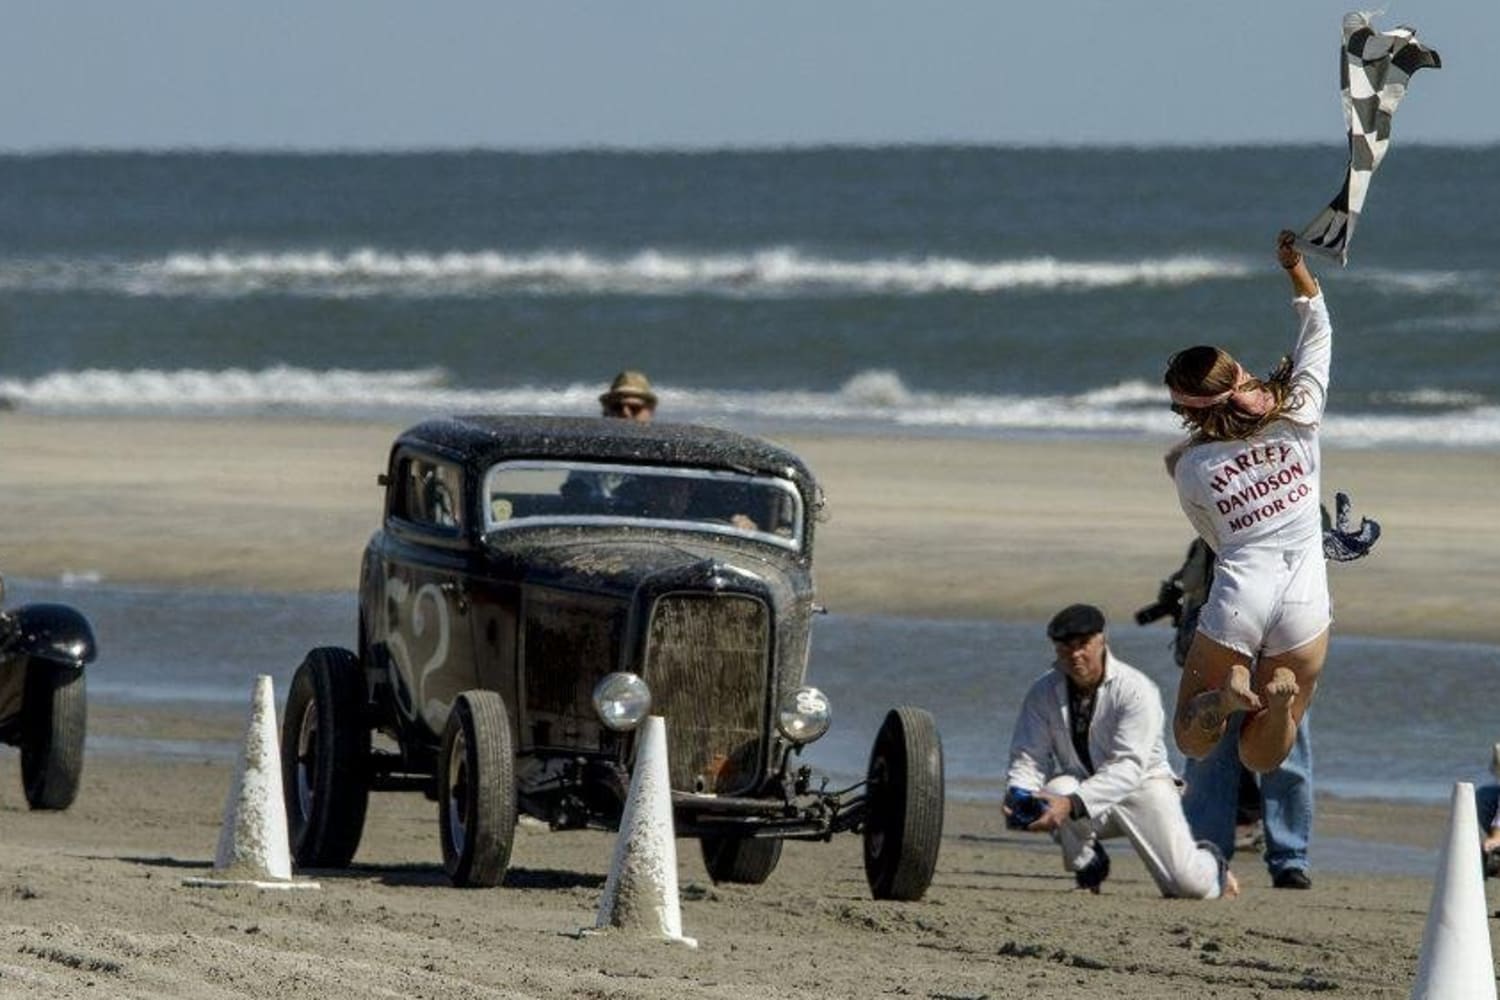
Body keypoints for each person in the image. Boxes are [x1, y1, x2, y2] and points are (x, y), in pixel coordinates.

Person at [1165, 230, 1331, 773]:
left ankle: (1224, 698)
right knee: (1264, 758)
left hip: (1242, 591)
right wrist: (1295, 267)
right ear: (1238, 370)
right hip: (1305, 596)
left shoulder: (1191, 468)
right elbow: (1318, 327)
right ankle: (1277, 706)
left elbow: (1213, 538)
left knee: (1191, 736)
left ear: (1189, 412)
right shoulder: (1300, 413)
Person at [1004, 603, 1237, 899]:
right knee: (1055, 788)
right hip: (1085, 792)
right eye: (1065, 647)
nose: (1075, 655)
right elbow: (1028, 755)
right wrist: (1019, 796)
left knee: (1186, 888)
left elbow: (1129, 768)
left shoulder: (1136, 689)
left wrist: (1070, 804)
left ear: (1102, 640)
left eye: (1083, 644)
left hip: (1145, 788)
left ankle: (1212, 861)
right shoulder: (1042, 692)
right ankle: (1089, 866)